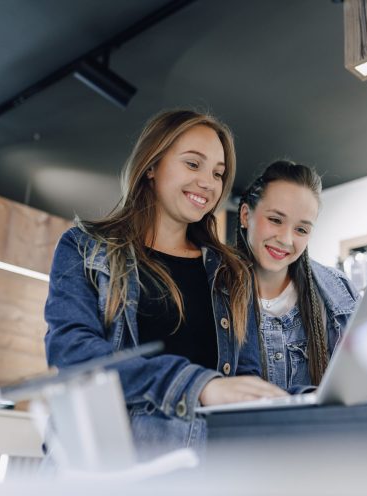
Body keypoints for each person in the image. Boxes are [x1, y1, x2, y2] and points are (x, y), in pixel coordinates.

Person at [44, 110, 286, 458]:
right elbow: (72, 352)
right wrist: (197, 386)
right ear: (152, 166)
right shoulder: (84, 247)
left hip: (201, 467)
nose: (208, 182)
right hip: (106, 463)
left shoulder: (232, 273)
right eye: (193, 164)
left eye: (218, 174)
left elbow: (244, 379)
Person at [236, 161, 359, 393]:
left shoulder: (338, 293)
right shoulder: (211, 288)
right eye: (275, 220)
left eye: (301, 230)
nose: (286, 239)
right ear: (245, 215)